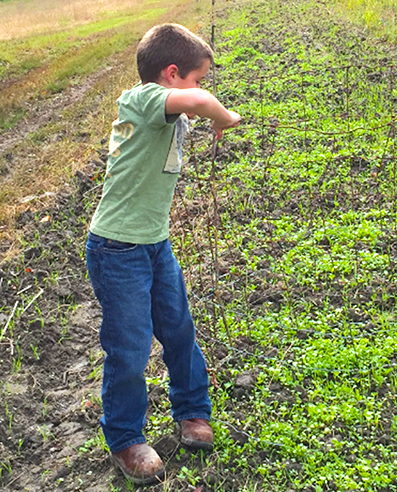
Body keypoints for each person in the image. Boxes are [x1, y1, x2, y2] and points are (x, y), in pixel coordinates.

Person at [85, 23, 241, 485]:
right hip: (117, 250)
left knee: (178, 329)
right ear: (171, 74)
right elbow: (194, 101)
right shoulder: (142, 99)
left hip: (154, 244)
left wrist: (204, 110)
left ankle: (192, 412)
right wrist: (222, 116)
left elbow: (187, 104)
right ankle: (125, 439)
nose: (201, 89)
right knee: (129, 347)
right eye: (198, 78)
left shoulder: (169, 111)